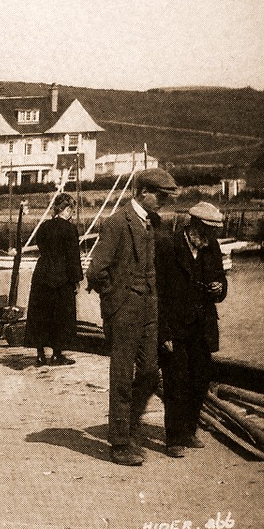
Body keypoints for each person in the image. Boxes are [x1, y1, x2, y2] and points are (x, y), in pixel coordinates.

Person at [86, 167, 178, 466]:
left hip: (148, 310)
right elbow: (96, 271)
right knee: (122, 376)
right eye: (161, 196)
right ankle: (119, 442)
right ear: (143, 193)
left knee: (150, 372)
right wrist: (116, 299)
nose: (163, 201)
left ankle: (130, 425)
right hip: (124, 310)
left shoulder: (151, 224)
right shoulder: (117, 223)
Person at [156, 201, 227, 458]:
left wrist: (220, 288)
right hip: (175, 327)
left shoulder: (211, 247)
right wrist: (162, 333)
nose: (212, 237)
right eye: (209, 231)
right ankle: (174, 437)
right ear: (195, 226)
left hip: (202, 326)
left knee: (200, 379)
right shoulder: (168, 247)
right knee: (176, 382)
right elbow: (158, 294)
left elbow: (221, 278)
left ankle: (188, 430)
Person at [25, 193, 83, 367]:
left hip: (42, 274)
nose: (72, 214)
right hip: (61, 276)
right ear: (66, 209)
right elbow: (73, 257)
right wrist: (76, 279)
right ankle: (57, 354)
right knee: (61, 316)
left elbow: (42, 247)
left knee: (41, 314)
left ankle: (40, 355)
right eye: (71, 211)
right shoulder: (70, 229)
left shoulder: (44, 227)